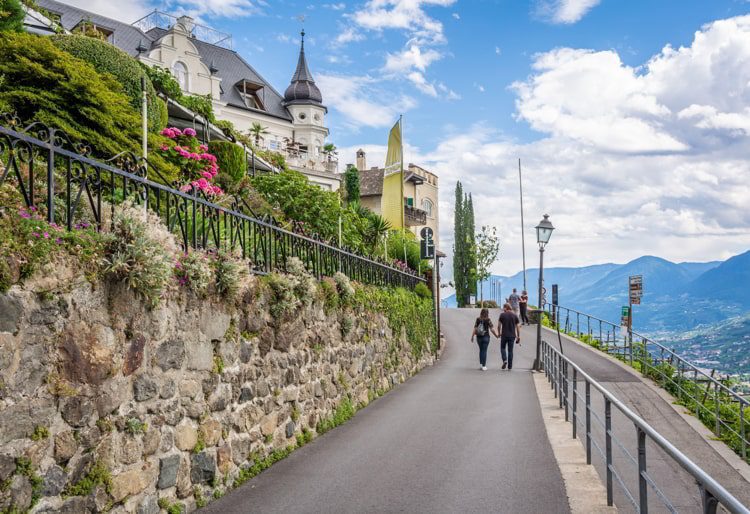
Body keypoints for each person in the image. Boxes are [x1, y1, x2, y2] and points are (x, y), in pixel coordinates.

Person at [498, 303, 521, 370]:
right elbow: (518, 327)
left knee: (502, 348)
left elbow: (499, 326)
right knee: (510, 351)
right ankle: (510, 366)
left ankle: (505, 360)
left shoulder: (502, 315)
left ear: (506, 307)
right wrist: (518, 336)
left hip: (504, 335)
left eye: (503, 307)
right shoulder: (514, 315)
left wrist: (499, 333)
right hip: (512, 336)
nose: (503, 309)